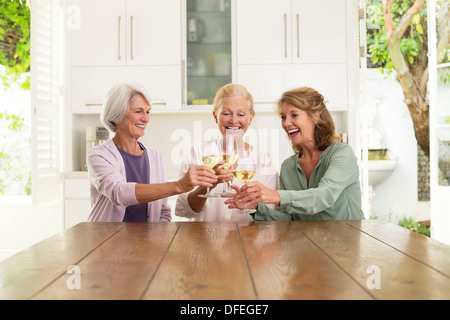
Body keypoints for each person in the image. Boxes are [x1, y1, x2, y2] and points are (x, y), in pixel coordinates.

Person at [225, 87, 364, 221]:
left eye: (294, 115)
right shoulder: (288, 166)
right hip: (309, 243)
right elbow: (289, 219)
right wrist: (256, 208)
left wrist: (276, 196)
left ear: (316, 115)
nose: (286, 123)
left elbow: (324, 197)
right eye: (283, 117)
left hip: (347, 241)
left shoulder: (341, 154)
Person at [87, 83, 217, 222]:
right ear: (117, 114)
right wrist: (178, 185)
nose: (146, 118)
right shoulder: (99, 155)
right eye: (138, 111)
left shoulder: (155, 157)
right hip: (107, 240)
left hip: (146, 242)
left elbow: (163, 212)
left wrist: (157, 240)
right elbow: (118, 192)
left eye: (147, 112)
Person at [175, 83, 278, 222]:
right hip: (205, 242)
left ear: (251, 118)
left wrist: (252, 204)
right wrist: (206, 187)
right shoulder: (197, 153)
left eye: (241, 114)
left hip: (247, 242)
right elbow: (185, 211)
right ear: (215, 116)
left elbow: (271, 215)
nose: (234, 120)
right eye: (226, 113)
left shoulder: (264, 160)